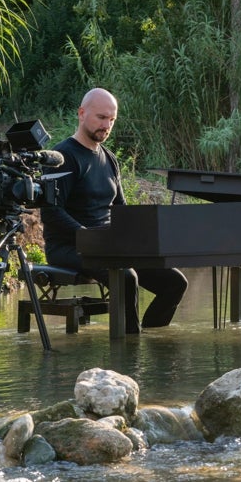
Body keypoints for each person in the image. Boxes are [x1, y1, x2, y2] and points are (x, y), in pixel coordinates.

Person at [40, 88, 188, 333]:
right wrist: (90, 236)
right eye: (101, 117)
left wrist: (141, 239)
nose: (106, 125)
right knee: (126, 277)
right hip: (68, 246)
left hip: (108, 246)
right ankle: (129, 348)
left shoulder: (110, 159)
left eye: (112, 119)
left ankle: (148, 336)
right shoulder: (63, 156)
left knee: (174, 282)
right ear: (81, 113)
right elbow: (50, 212)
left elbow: (120, 209)